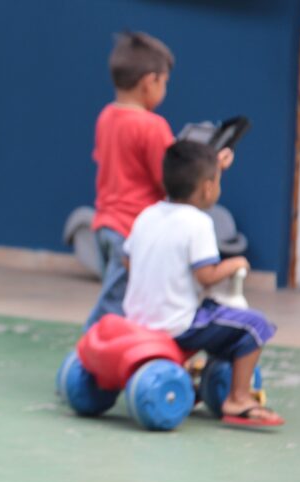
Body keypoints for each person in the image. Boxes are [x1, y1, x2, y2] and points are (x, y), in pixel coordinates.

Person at [123, 140, 283, 427]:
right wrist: (234, 263)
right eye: (218, 180)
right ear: (208, 188)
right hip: (176, 324)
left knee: (216, 313)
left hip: (137, 318)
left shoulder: (147, 214)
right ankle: (239, 397)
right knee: (255, 325)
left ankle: (207, 370)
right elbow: (206, 276)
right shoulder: (198, 222)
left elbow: (127, 261)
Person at [84, 31, 235, 329]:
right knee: (114, 306)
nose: (165, 88)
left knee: (125, 298)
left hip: (105, 225)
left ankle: (122, 353)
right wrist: (211, 166)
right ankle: (89, 354)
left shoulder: (106, 116)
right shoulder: (152, 126)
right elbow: (171, 178)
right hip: (131, 230)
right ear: (149, 81)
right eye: (165, 82)